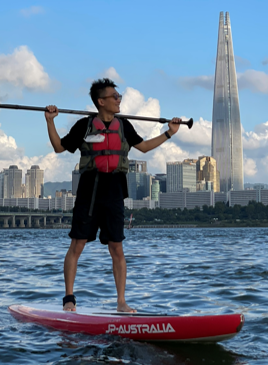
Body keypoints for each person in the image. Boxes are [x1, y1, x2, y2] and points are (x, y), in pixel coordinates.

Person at [45, 78, 180, 312]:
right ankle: (69, 299)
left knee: (117, 247)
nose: (119, 100)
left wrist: (170, 132)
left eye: (119, 97)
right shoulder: (84, 125)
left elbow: (145, 147)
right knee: (77, 244)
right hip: (89, 189)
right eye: (114, 97)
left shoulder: (124, 125)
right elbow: (58, 147)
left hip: (115, 189)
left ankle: (121, 303)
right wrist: (50, 122)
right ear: (101, 101)